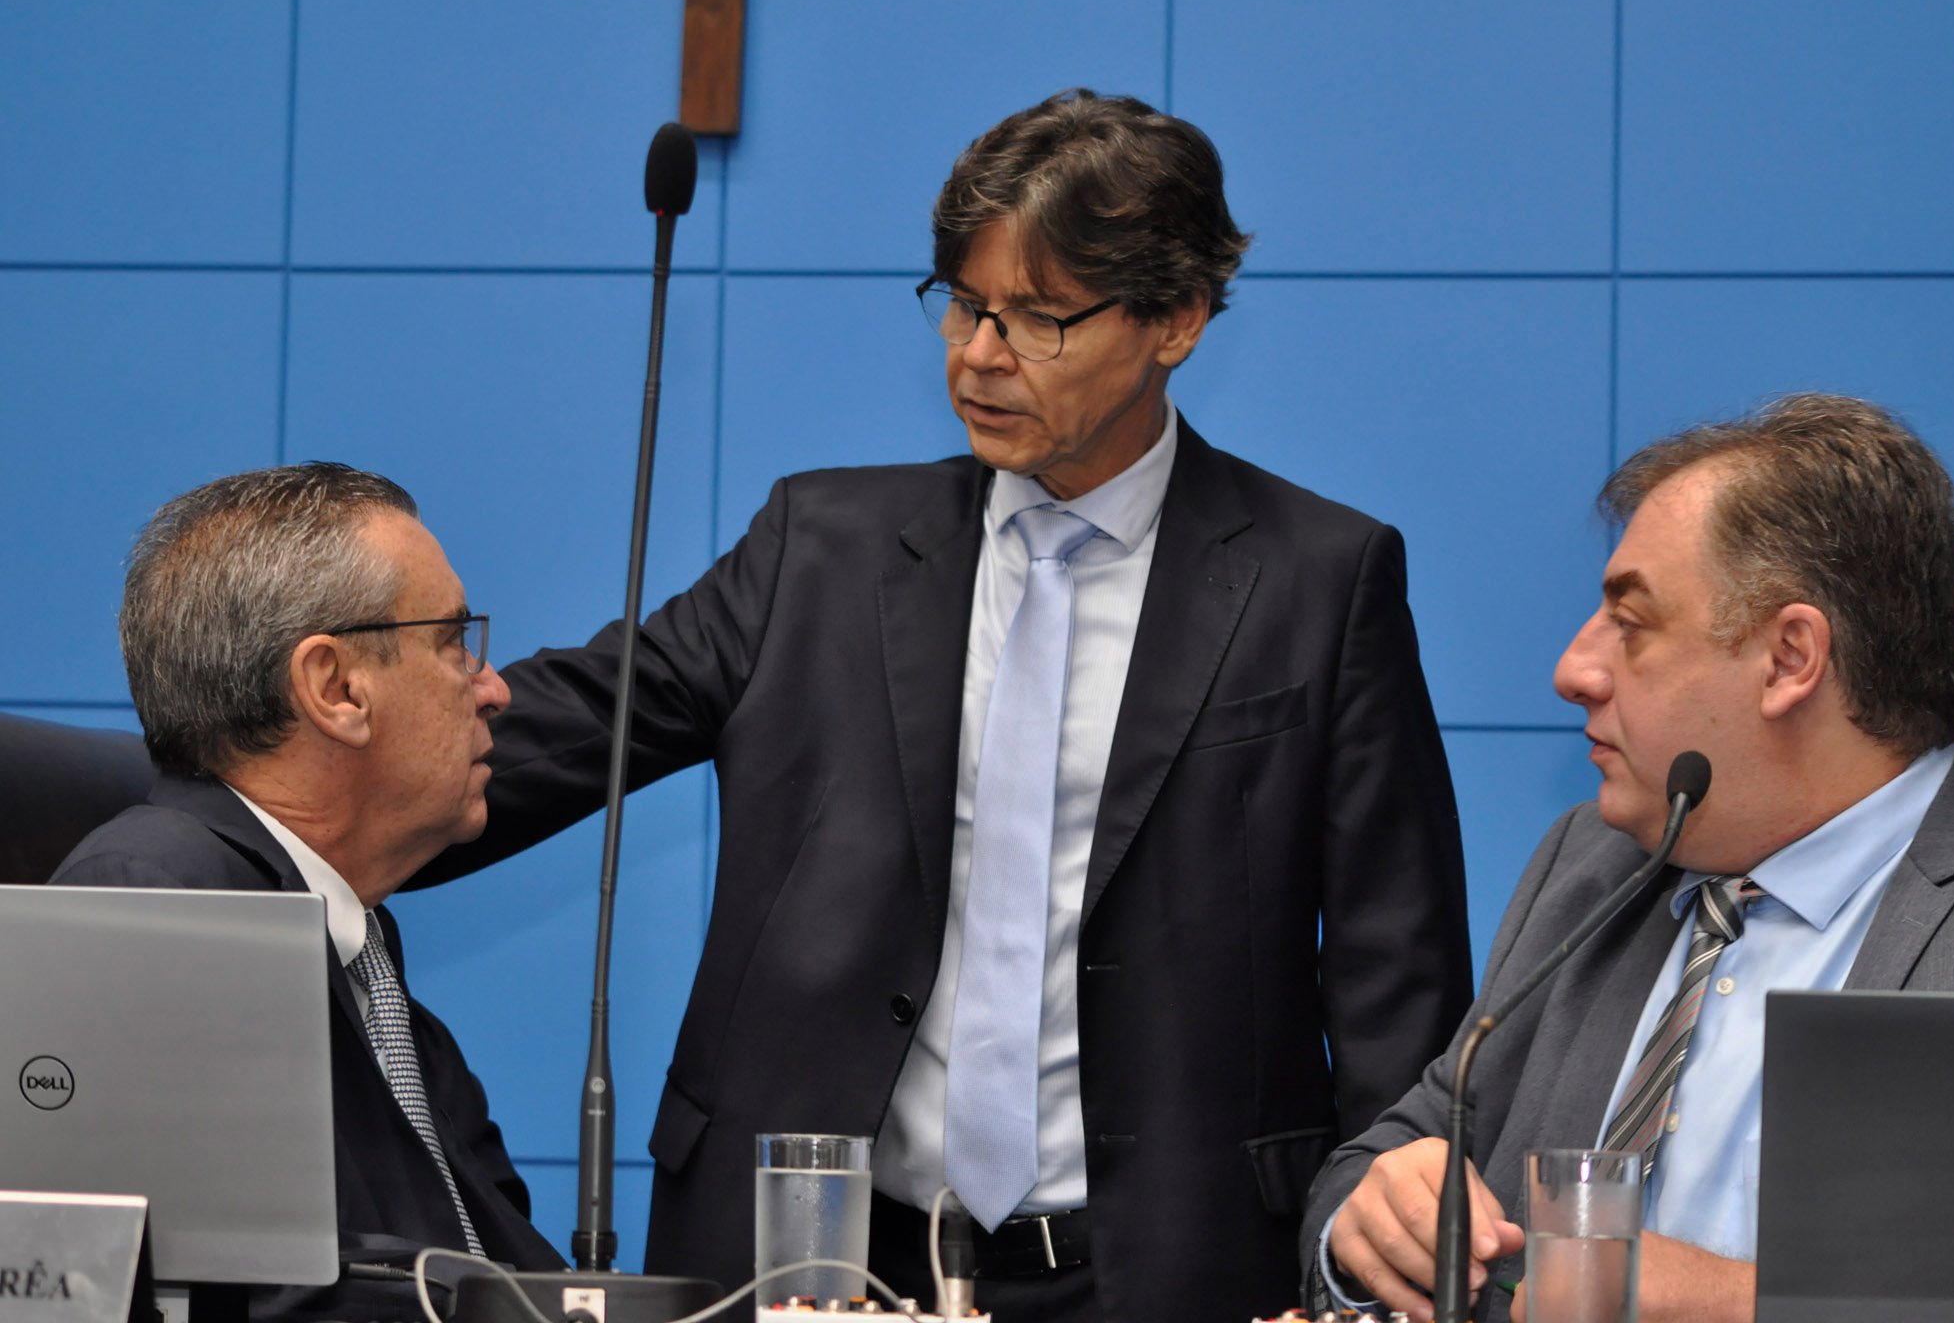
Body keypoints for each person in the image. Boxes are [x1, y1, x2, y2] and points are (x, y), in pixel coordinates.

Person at [437, 88, 1470, 1321]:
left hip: (1166, 1265)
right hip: (825, 1260)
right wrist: (307, 785)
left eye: (1037, 317)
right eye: (963, 304)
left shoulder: (1317, 578)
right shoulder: (819, 545)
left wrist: (1374, 1261)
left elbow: (1393, 967)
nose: (978, 354)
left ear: (1176, 319)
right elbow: (571, 726)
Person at [1302, 393, 1954, 1323]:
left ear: (1790, 658)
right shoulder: (1592, 863)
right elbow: (1400, 1146)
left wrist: (1745, 1305)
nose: (1574, 671)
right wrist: (1370, 1217)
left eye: (1630, 625)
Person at [51, 464, 564, 1321]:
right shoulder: (159, 904)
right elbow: (242, 1297)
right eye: (452, 641)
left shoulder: (352, 941)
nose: (494, 688)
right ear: (335, 689)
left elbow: (488, 1252)